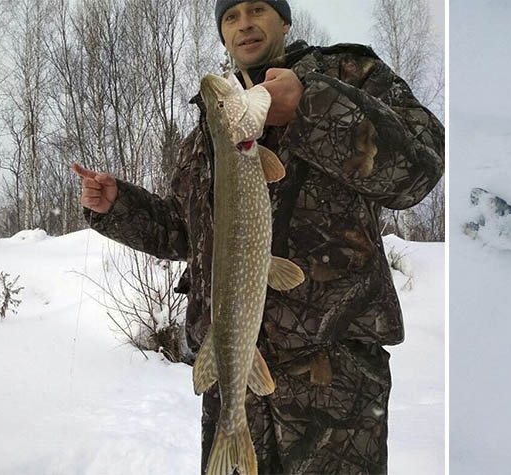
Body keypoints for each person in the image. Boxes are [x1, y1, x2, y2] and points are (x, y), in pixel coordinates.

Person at [72, 0, 444, 472]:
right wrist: (118, 205)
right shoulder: (211, 130)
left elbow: (422, 170)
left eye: (257, 9)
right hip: (232, 368)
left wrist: (311, 106)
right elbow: (187, 234)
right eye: (230, 17)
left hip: (331, 376)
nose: (244, 23)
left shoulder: (350, 74)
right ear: (223, 35)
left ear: (284, 21)